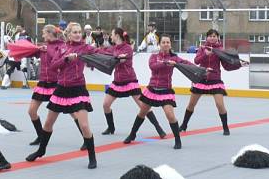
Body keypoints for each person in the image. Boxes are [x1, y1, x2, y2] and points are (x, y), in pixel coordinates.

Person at [26, 22, 98, 169]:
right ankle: (41, 150)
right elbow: (53, 65)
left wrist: (117, 54)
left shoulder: (85, 47)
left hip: (78, 89)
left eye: (79, 32)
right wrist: (66, 59)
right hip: (61, 89)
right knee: (48, 124)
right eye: (75, 32)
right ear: (69, 34)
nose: (78, 34)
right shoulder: (63, 48)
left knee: (84, 125)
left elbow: (100, 52)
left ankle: (92, 157)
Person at [123, 34, 194, 149]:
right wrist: (166, 63)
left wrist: (202, 70)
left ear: (170, 44)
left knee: (170, 115)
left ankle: (177, 140)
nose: (166, 44)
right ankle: (132, 134)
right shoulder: (154, 56)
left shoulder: (174, 58)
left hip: (166, 91)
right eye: (163, 42)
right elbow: (153, 67)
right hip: (152, 90)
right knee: (142, 113)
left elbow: (187, 64)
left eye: (168, 42)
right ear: (160, 44)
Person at [98, 28, 166, 138]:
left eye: (112, 34)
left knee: (143, 107)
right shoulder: (113, 48)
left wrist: (117, 58)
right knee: (106, 105)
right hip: (117, 82)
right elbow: (102, 52)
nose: (111, 36)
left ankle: (158, 128)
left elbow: (123, 59)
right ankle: (111, 127)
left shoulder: (128, 48)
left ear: (117, 36)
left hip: (130, 81)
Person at [179, 29, 248, 135]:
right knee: (191, 104)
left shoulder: (221, 50)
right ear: (207, 38)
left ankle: (225, 127)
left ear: (218, 38)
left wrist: (239, 65)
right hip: (201, 79)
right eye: (210, 36)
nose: (212, 38)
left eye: (214, 36)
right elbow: (196, 61)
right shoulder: (202, 49)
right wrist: (206, 54)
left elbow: (226, 66)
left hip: (215, 80)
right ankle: (184, 125)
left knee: (220, 104)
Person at [27, 25, 65, 145]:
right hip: (43, 83)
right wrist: (30, 50)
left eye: (44, 33)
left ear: (50, 33)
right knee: (31, 111)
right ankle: (40, 136)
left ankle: (86, 138)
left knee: (73, 112)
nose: (43, 36)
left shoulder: (61, 45)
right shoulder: (45, 46)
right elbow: (32, 54)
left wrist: (46, 49)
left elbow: (57, 59)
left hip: (56, 83)